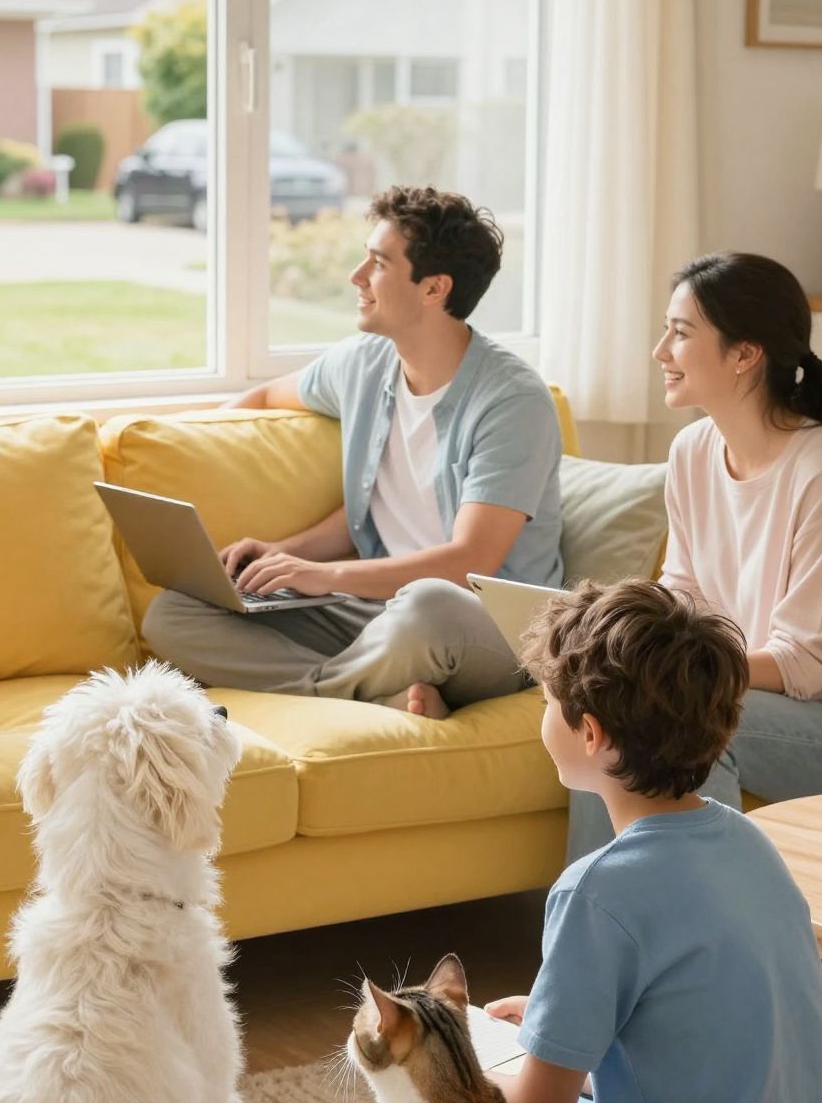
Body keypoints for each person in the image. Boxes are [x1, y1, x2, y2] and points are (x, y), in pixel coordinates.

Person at [286, 580, 822, 1103]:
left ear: (590, 734)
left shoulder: (597, 891)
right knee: (579, 1095)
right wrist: (571, 1029)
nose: (540, 712)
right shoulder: (752, 842)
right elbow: (711, 1042)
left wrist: (455, 1077)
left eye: (548, 700)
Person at [143, 184, 563, 716]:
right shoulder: (364, 364)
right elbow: (267, 397)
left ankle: (336, 691)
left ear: (434, 289)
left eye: (379, 263)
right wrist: (283, 553)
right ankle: (373, 690)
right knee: (174, 613)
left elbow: (470, 561)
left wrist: (323, 576)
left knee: (427, 605)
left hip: (488, 626)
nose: (356, 277)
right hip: (377, 612)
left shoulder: (511, 400)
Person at [567, 252, 822, 859]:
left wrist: (676, 673)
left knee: (696, 724)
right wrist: (622, 651)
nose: (660, 351)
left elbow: (803, 664)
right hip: (757, 697)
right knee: (605, 712)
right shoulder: (693, 451)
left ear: (745, 354)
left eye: (680, 332)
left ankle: (712, 936)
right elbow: (683, 594)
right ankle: (599, 933)